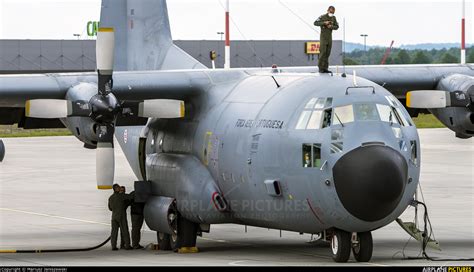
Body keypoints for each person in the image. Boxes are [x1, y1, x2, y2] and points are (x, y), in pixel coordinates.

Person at [314, 6, 339, 73]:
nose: (332, 13)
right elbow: (315, 23)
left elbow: (337, 26)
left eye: (333, 12)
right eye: (331, 12)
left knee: (327, 53)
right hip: (323, 37)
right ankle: (320, 68)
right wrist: (324, 23)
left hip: (329, 37)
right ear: (328, 10)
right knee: (322, 53)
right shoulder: (322, 17)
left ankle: (325, 68)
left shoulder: (333, 18)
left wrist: (331, 27)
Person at [108, 184, 132, 250]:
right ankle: (127, 245)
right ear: (116, 189)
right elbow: (130, 197)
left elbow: (110, 208)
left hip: (114, 216)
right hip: (121, 216)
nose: (120, 189)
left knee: (114, 232)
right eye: (118, 188)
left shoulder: (111, 197)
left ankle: (113, 246)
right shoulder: (121, 196)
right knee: (125, 231)